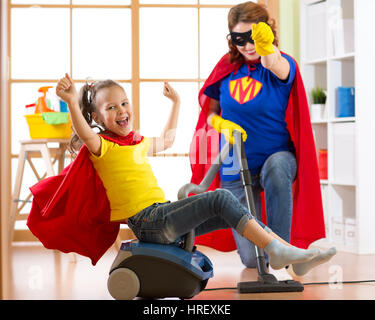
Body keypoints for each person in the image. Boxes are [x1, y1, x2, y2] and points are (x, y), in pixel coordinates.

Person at [28, 73, 333, 275]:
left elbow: (168, 139)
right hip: (148, 222)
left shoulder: (134, 141)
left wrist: (175, 103)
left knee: (233, 208)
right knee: (222, 196)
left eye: (124, 103)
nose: (122, 110)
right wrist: (71, 103)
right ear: (95, 116)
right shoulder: (102, 146)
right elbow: (83, 130)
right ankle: (278, 250)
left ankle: (288, 256)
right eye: (111, 107)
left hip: (160, 216)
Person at [189, 1, 332, 272]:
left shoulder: (280, 63)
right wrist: (219, 123)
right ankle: (286, 255)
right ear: (232, 39)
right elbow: (209, 111)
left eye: (253, 37)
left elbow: (275, 64)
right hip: (235, 164)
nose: (247, 45)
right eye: (239, 38)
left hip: (275, 158)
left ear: (266, 32)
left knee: (278, 167)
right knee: (253, 260)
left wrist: (267, 48)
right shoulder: (227, 68)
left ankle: (285, 249)